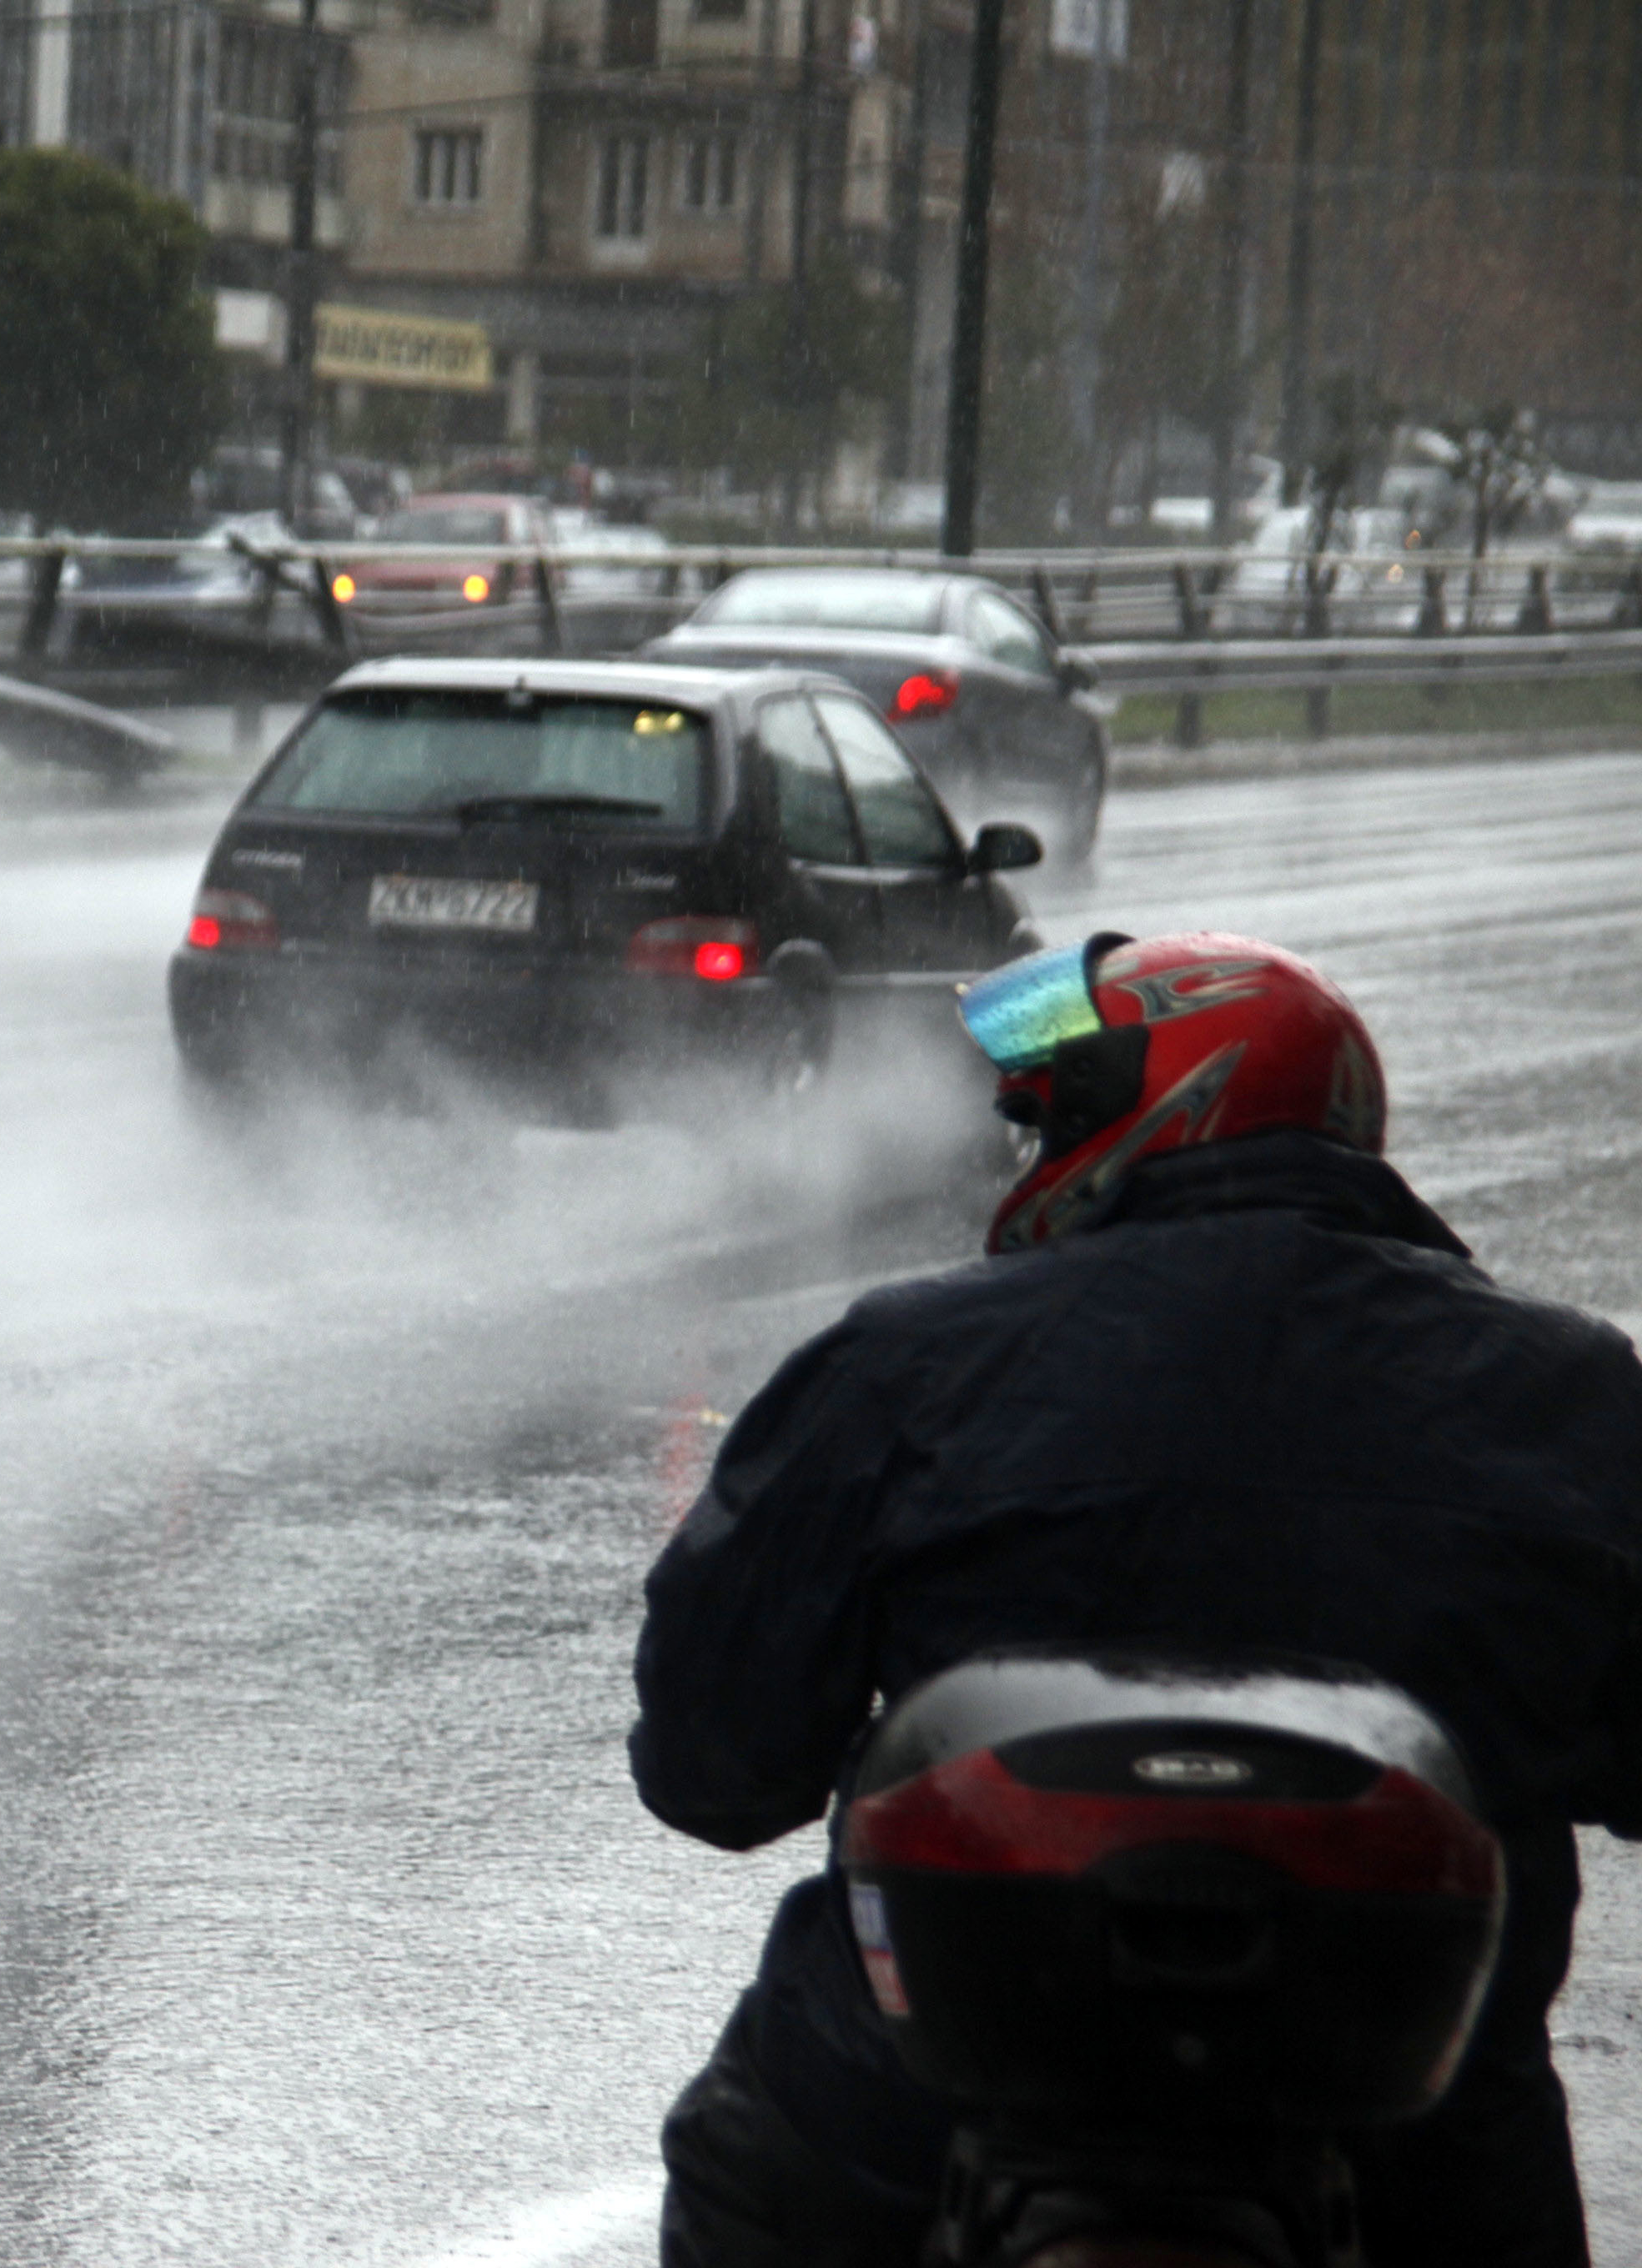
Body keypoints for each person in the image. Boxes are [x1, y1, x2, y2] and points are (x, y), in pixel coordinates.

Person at [630, 930, 1642, 2267]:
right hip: (1421, 2143)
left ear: (1166, 1108)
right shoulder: (1572, 1390)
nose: (1023, 1159)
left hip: (913, 2120)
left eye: (1043, 1123)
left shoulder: (903, 1363)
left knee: (753, 2162)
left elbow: (713, 1768)